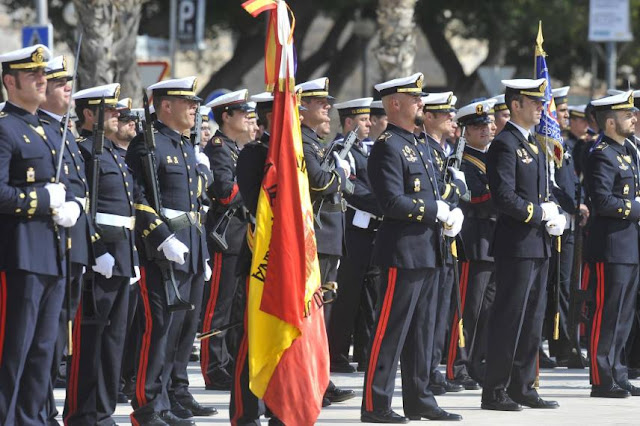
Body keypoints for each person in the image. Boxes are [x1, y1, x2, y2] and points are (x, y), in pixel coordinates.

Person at [361, 73, 463, 423]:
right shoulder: (388, 145)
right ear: (394, 104)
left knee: (423, 332)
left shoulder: (419, 143)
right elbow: (390, 202)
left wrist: (447, 212)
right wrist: (435, 210)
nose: (422, 102)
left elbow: (434, 193)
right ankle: (376, 404)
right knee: (391, 331)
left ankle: (420, 398)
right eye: (414, 97)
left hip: (428, 248)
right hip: (401, 251)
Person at [127, 77, 216, 425]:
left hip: (191, 248)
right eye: (188, 102)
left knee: (182, 333)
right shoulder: (146, 146)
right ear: (166, 106)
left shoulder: (182, 146)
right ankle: (148, 405)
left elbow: (195, 204)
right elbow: (138, 198)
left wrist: (203, 250)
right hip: (162, 252)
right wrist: (162, 236)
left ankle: (168, 400)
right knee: (159, 330)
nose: (195, 108)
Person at [0, 44, 80, 426]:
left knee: (43, 350)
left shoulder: (46, 131)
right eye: (32, 74)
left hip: (53, 252)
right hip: (18, 254)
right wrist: (41, 198)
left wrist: (72, 206)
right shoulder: (5, 128)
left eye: (42, 73)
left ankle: (30, 419)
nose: (42, 78)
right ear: (10, 81)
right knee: (14, 349)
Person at [482, 78, 564, 411]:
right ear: (516, 105)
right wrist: (537, 214)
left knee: (532, 320)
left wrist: (553, 212)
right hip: (516, 245)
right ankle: (496, 390)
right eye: (534, 103)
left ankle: (523, 385)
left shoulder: (533, 144)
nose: (541, 108)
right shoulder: (505, 143)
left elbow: (541, 193)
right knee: (509, 319)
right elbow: (503, 197)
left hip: (537, 244)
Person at [62, 83, 140, 425]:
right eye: (108, 111)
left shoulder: (112, 154)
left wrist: (132, 255)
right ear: (89, 115)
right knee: (90, 338)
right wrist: (97, 250)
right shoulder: (83, 152)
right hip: (100, 256)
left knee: (114, 339)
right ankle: (81, 411)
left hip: (122, 253)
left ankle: (102, 410)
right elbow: (85, 208)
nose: (116, 116)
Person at [38, 54, 95, 424]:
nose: (66, 88)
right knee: (42, 337)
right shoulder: (40, 131)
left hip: (73, 246)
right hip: (45, 246)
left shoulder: (65, 133)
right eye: (59, 84)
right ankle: (39, 407)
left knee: (58, 337)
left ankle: (47, 406)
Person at [297, 77, 356, 405]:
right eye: (321, 104)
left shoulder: (313, 141)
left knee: (322, 315)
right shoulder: (304, 142)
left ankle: (319, 377)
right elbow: (320, 183)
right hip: (316, 237)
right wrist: (342, 176)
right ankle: (312, 378)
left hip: (327, 236)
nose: (328, 108)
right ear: (302, 110)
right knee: (314, 313)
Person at [585, 90, 640, 398]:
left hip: (628, 244)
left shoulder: (626, 151)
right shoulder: (601, 153)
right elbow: (603, 201)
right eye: (626, 115)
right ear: (609, 122)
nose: (633, 118)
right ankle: (601, 377)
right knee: (606, 314)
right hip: (610, 246)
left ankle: (617, 372)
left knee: (623, 315)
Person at [326, 97, 382, 374]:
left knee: (369, 296)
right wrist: (380, 203)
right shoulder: (341, 149)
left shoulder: (361, 149)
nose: (369, 123)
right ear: (348, 123)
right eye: (363, 120)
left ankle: (365, 350)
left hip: (370, 230)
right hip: (353, 231)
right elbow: (350, 187)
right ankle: (336, 353)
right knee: (347, 296)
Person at [200, 89, 251, 391]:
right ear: (226, 117)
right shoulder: (219, 147)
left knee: (235, 306)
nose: (247, 117)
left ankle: (228, 360)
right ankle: (213, 367)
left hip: (239, 238)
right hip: (225, 238)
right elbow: (226, 192)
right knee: (218, 306)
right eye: (241, 112)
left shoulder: (234, 148)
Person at [445, 99, 497, 387]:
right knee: (468, 309)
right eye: (477, 126)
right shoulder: (460, 161)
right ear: (463, 131)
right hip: (474, 243)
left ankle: (477, 362)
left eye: (487, 125)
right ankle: (457, 364)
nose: (485, 130)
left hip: (494, 243)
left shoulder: (493, 158)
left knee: (488, 311)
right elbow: (472, 199)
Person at [420, 91, 468, 395]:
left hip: (444, 239)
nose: (452, 118)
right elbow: (439, 193)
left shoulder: (442, 150)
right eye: (445, 113)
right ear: (429, 118)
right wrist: (457, 186)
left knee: (440, 310)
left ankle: (433, 367)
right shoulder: (425, 148)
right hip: (428, 237)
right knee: (428, 313)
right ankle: (426, 369)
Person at [545, 86, 589, 368]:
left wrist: (580, 203)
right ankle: (560, 346)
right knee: (557, 288)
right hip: (556, 224)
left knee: (569, 288)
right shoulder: (548, 142)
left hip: (571, 225)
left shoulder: (564, 145)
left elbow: (573, 183)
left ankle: (567, 343)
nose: (563, 116)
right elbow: (550, 184)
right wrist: (573, 206)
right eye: (560, 111)